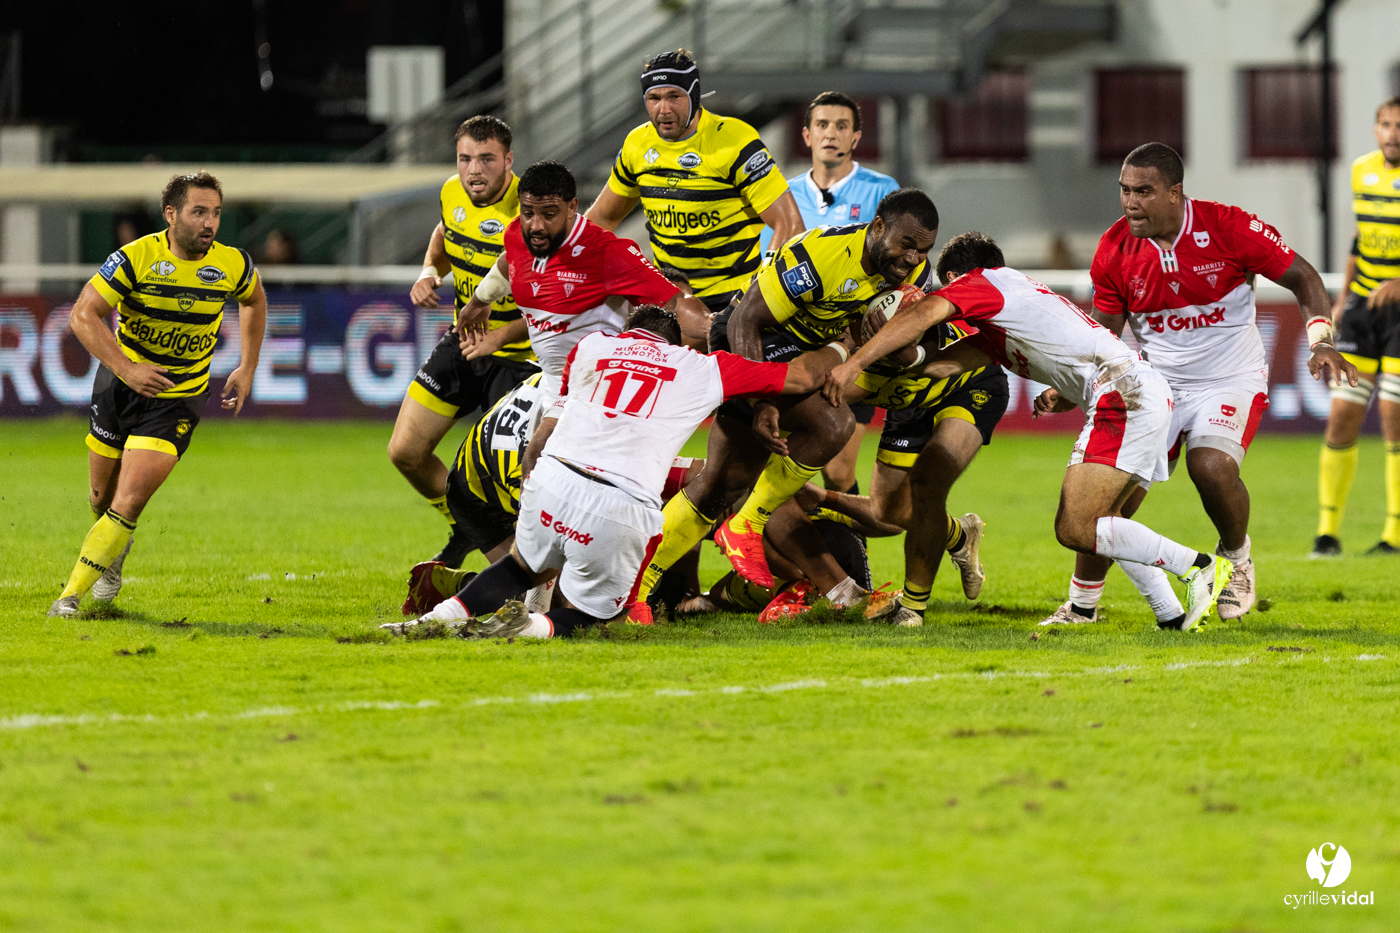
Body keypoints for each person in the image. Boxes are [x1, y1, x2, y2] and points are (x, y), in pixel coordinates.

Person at [824, 231, 1235, 632]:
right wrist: (894, 352)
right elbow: (933, 365)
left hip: (1124, 395)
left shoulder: (981, 282)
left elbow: (923, 315)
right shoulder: (999, 322)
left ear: (953, 279)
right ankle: (1169, 612)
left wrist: (856, 360)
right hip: (1137, 392)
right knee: (1105, 520)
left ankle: (1197, 566)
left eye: (943, 289)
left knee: (1075, 528)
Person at [1036, 142, 1356, 625]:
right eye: (1124, 190)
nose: (1130, 202)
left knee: (1209, 467)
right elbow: (1104, 330)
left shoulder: (1228, 226)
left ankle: (1236, 559)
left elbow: (1305, 278)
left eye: (1143, 191)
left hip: (1229, 377)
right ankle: (1082, 608)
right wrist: (1073, 386)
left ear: (1174, 193)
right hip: (1154, 385)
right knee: (1107, 498)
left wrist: (1319, 341)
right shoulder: (1115, 247)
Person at [384, 305, 842, 639]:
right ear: (675, 345)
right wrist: (845, 346)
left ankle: (429, 623)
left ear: (627, 332)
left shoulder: (591, 347)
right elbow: (800, 378)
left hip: (552, 482)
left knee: (522, 567)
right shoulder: (702, 368)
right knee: (601, 618)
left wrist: (534, 486)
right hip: (621, 506)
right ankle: (523, 630)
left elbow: (544, 433)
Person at [633, 189, 939, 615]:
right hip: (745, 343)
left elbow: (908, 349)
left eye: (923, 250)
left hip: (792, 351)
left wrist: (891, 342)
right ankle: (749, 524)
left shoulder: (914, 277)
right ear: (879, 228)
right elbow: (745, 320)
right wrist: (762, 402)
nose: (912, 259)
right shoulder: (821, 256)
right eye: (906, 245)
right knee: (833, 424)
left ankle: (634, 591)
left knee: (721, 484)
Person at [48, 172, 266, 617]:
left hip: (178, 398)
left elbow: (254, 300)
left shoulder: (232, 265)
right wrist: (127, 369)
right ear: (171, 214)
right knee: (99, 497)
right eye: (199, 212)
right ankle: (113, 557)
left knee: (128, 499)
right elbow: (83, 315)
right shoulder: (136, 258)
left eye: (217, 213)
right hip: (119, 386)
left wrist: (247, 366)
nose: (210, 223)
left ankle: (68, 597)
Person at [455, 160, 711, 422]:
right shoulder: (519, 236)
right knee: (532, 458)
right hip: (554, 383)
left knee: (543, 456)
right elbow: (508, 262)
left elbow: (675, 300)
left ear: (572, 207)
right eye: (528, 212)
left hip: (600, 388)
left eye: (549, 213)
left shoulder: (605, 252)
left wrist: (714, 327)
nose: (536, 225)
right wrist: (478, 302)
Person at [389, 115, 537, 567]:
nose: (474, 170)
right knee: (406, 452)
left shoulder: (531, 210)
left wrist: (499, 337)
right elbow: (444, 232)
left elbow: (557, 303)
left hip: (521, 359)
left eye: (487, 159)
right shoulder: (451, 191)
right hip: (465, 341)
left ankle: (527, 575)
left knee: (517, 480)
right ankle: (466, 525)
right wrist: (429, 270)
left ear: (508, 160)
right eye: (465, 159)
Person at [585, 48, 804, 315]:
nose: (663, 109)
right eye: (653, 98)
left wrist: (757, 296)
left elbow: (790, 225)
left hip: (735, 298)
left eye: (674, 96)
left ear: (694, 96)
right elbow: (603, 219)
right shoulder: (636, 144)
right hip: (671, 298)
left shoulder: (735, 140)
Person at [763, 91, 901, 496]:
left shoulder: (882, 190)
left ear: (856, 137)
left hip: (852, 343)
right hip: (795, 342)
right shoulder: (782, 196)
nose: (831, 134)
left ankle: (854, 558)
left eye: (842, 126)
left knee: (839, 472)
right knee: (780, 459)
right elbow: (766, 267)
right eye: (822, 125)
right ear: (806, 135)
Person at [851, 322, 1010, 626]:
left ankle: (912, 607)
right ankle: (958, 533)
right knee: (888, 509)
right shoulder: (834, 356)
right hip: (911, 400)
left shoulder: (879, 318)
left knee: (928, 482)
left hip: (966, 383)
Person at [1315, 97, 1400, 556]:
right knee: (1342, 414)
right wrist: (1344, 295)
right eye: (1385, 124)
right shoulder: (1361, 171)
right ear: (1374, 130)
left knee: (1393, 415)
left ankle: (1395, 536)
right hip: (1363, 308)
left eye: (1399, 125)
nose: (1393, 133)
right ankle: (1327, 533)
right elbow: (1358, 238)